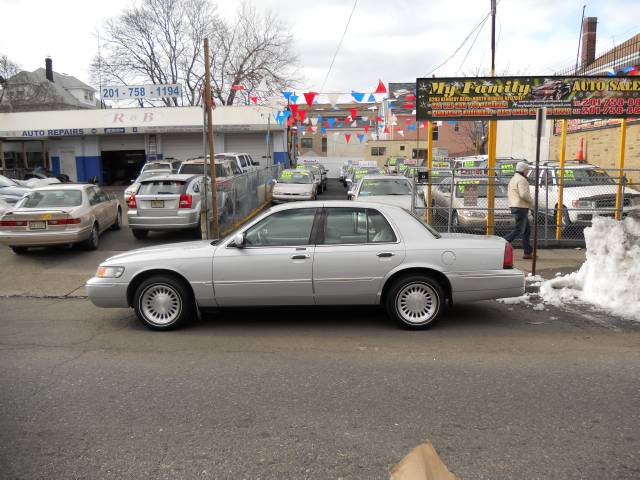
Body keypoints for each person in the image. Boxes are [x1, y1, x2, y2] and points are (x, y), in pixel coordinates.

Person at [505, 161, 534, 259]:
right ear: (523, 170)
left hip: (515, 206)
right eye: (527, 170)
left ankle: (528, 251)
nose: (527, 172)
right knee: (519, 230)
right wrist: (531, 201)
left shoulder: (513, 179)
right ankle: (502, 243)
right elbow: (523, 194)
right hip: (521, 207)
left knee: (526, 230)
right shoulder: (522, 180)